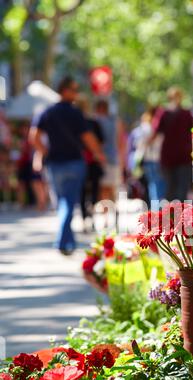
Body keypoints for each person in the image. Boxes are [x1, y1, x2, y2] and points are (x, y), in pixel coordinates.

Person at [30, 76, 106, 255]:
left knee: (62, 202)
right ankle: (63, 241)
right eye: (74, 89)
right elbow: (88, 138)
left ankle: (67, 240)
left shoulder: (47, 112)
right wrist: (98, 154)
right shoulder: (74, 113)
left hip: (55, 164)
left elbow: (34, 137)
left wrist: (45, 152)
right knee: (68, 203)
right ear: (64, 90)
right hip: (73, 163)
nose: (76, 93)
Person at [152, 87, 193, 202]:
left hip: (171, 156)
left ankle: (172, 217)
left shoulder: (164, 113)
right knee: (180, 190)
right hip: (181, 156)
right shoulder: (186, 113)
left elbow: (155, 132)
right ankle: (179, 217)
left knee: (171, 189)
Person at [76, 94, 104, 230]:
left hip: (81, 161)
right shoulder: (92, 122)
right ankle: (89, 216)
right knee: (93, 190)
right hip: (90, 160)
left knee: (82, 191)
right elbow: (100, 141)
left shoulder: (76, 123)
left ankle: (85, 218)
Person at [94, 99, 122, 201]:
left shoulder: (95, 121)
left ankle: (105, 212)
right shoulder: (115, 122)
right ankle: (112, 209)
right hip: (113, 157)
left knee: (103, 188)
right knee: (112, 187)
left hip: (100, 158)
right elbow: (120, 142)